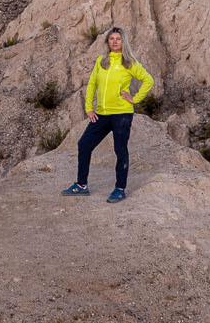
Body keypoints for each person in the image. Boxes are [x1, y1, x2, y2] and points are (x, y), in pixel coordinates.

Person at [61, 26, 154, 202]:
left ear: (123, 42)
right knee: (84, 144)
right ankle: (81, 185)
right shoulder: (101, 61)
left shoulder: (129, 62)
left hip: (122, 114)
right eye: (111, 38)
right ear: (107, 42)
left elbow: (148, 80)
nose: (114, 41)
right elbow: (92, 85)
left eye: (118, 39)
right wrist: (89, 108)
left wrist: (135, 98)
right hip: (102, 114)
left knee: (120, 151)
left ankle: (120, 189)